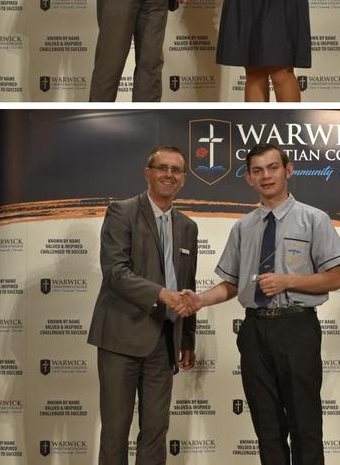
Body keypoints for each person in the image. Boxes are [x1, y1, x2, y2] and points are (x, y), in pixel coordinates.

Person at [190, 144, 340, 465]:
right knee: (267, 426)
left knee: (305, 424)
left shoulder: (313, 219)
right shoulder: (243, 227)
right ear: (249, 178)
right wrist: (200, 299)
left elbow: (334, 278)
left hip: (297, 328)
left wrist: (288, 281)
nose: (267, 176)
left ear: (287, 170)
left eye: (273, 168)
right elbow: (232, 284)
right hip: (254, 330)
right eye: (258, 171)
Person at [86, 146, 199, 465]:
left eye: (176, 170)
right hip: (120, 338)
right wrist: (161, 294)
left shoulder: (188, 227)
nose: (169, 174)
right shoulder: (122, 211)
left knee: (155, 430)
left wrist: (187, 338)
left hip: (164, 343)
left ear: (184, 179)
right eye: (162, 167)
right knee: (115, 430)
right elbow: (116, 273)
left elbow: (187, 284)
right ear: (147, 173)